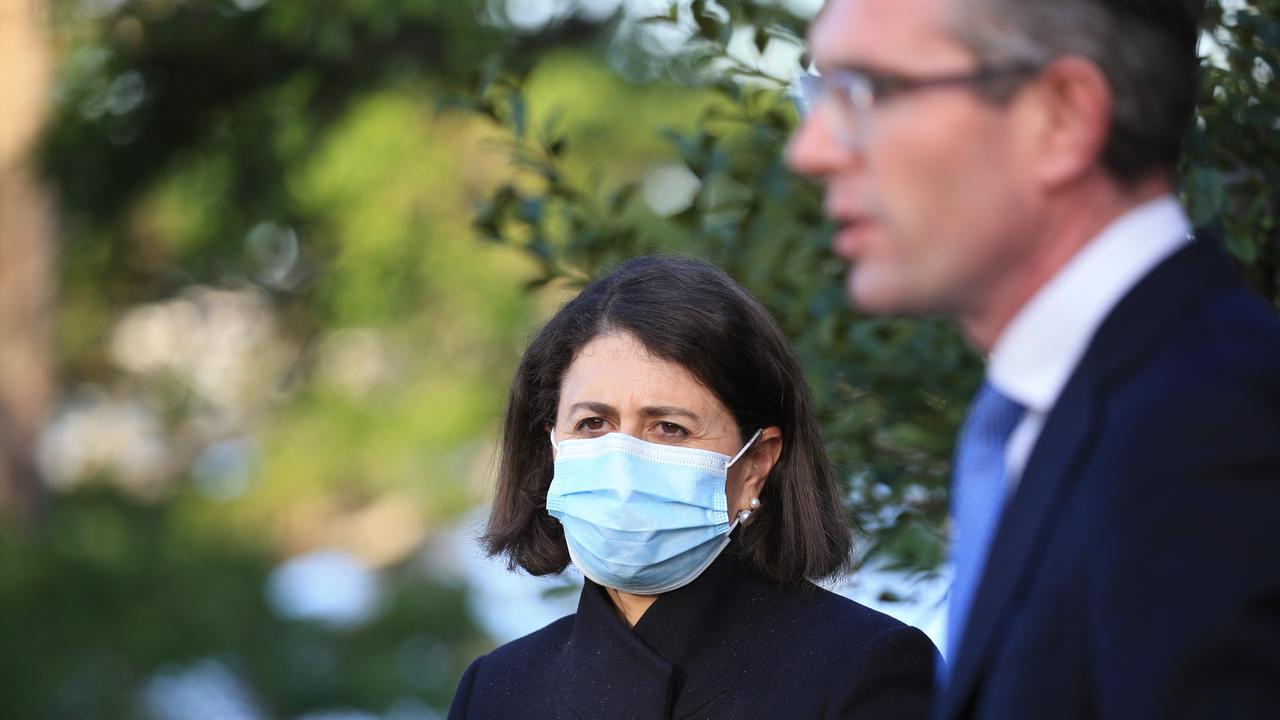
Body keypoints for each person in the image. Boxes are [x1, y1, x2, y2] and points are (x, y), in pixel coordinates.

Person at [787, 0, 1280, 717]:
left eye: (866, 92)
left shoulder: (1208, 429)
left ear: (1061, 117)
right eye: (816, 92)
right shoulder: (1086, 409)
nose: (812, 150)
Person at [448, 255, 939, 719]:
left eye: (669, 428)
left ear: (756, 465)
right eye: (594, 423)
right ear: (553, 445)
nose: (622, 465)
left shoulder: (864, 669)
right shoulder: (497, 688)